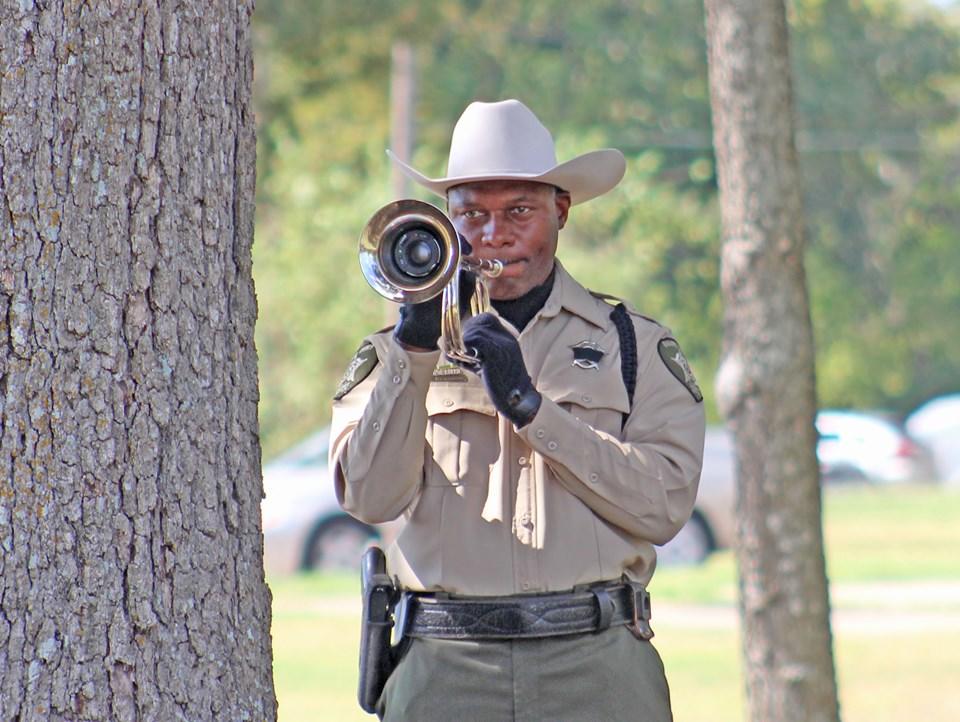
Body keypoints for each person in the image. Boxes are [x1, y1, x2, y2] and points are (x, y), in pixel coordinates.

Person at [330, 99, 705, 722]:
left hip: (597, 662)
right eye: (471, 213)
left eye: (520, 212)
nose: (493, 234)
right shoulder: (390, 352)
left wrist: (533, 409)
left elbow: (663, 506)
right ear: (447, 222)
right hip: (446, 663)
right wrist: (413, 352)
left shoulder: (631, 343)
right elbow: (369, 499)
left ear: (562, 210)